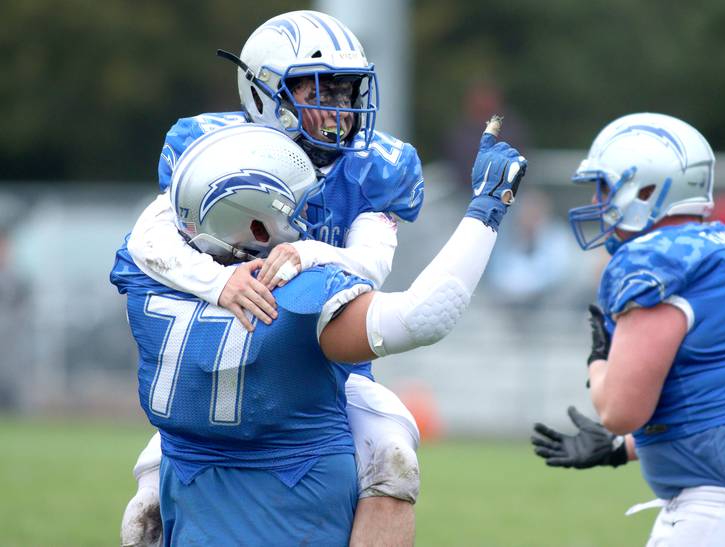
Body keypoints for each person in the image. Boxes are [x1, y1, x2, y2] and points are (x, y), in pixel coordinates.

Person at [111, 120, 526, 544]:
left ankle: (148, 491)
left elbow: (152, 236)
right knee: (390, 452)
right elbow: (423, 316)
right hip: (289, 445)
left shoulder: (142, 278)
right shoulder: (297, 297)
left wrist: (216, 282)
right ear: (256, 225)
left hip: (190, 436)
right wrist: (486, 209)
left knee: (147, 504)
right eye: (288, 208)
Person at [120, 10, 426, 546]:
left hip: (318, 365)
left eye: (345, 92)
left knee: (394, 452)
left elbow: (374, 261)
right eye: (320, 92)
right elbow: (147, 239)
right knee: (144, 510)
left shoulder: (376, 165)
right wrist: (220, 284)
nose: (339, 110)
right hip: (219, 355)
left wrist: (306, 252)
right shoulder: (213, 148)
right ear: (265, 93)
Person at [531, 113, 725, 546]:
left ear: (647, 189)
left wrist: (598, 364)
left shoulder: (656, 259)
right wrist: (626, 448)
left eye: (605, 186)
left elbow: (621, 411)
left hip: (722, 509)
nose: (599, 202)